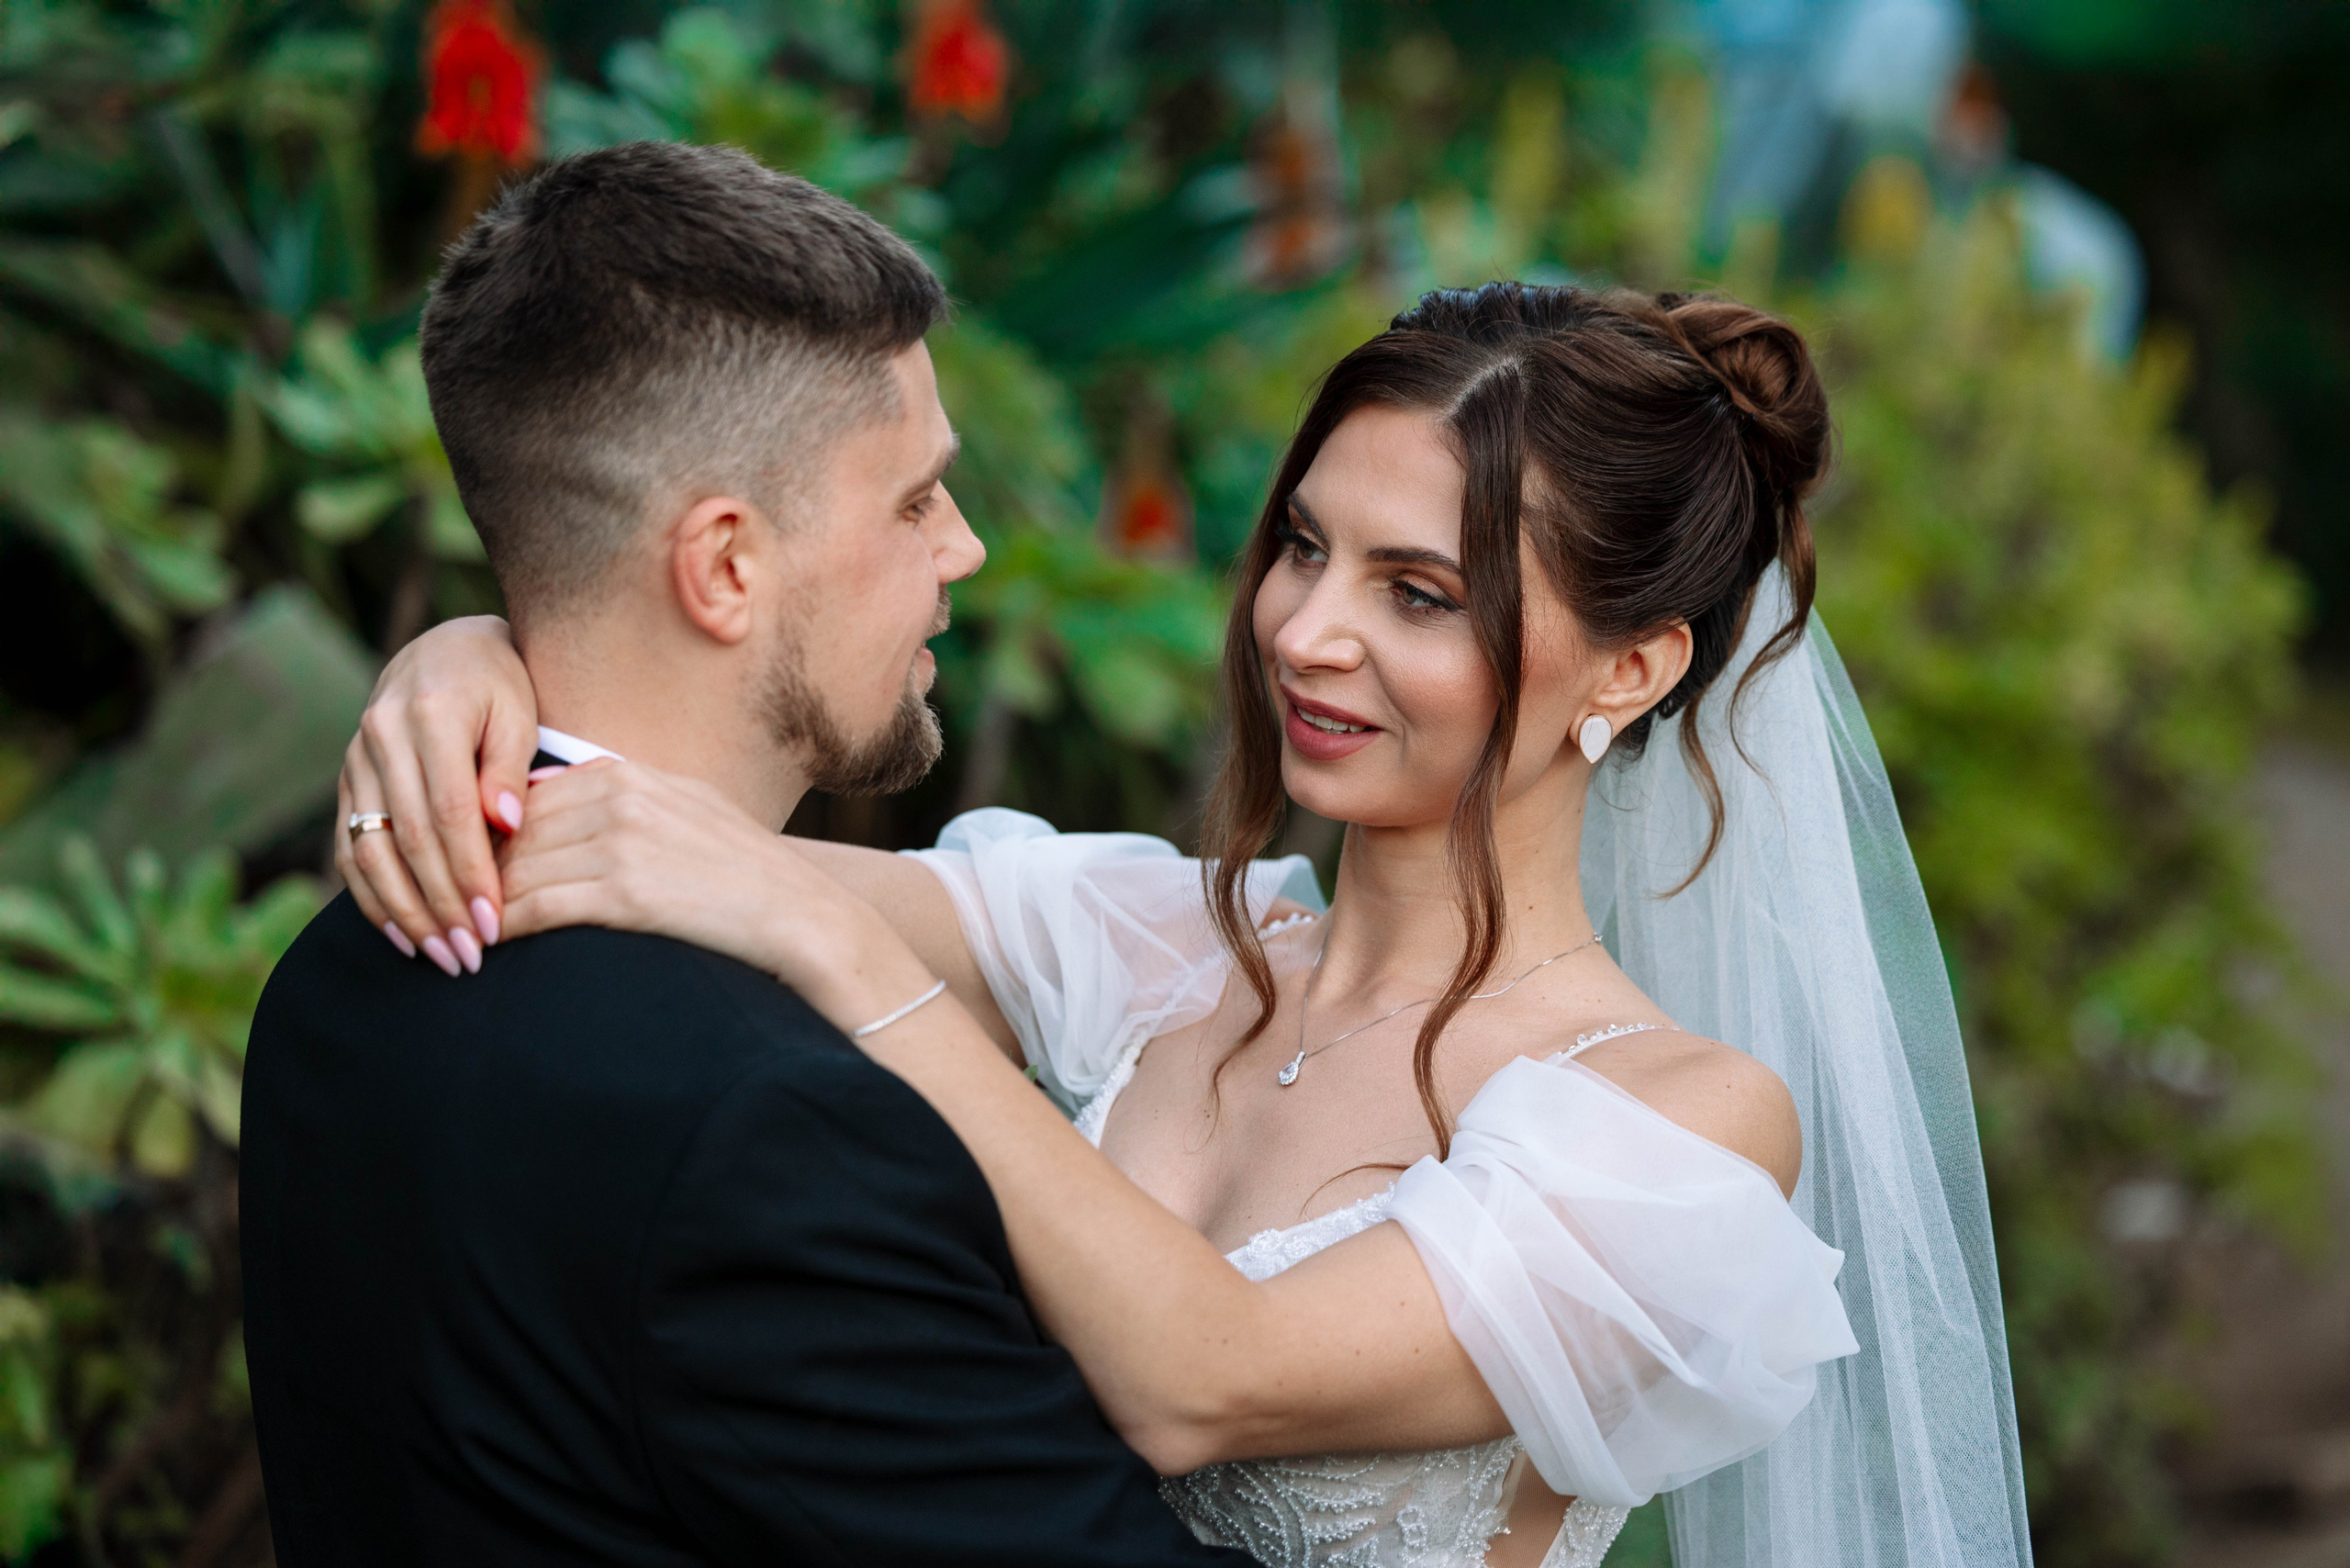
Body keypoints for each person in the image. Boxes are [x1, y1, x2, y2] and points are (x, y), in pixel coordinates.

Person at [340, 278, 2036, 1566]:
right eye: (1305, 548)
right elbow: (655, 829)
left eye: (1419, 594)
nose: (1303, 631)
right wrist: (479, 663)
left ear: (1634, 669)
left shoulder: (1676, 1132)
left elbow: (1204, 1375)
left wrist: (853, 966)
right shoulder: (1158, 945)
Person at [241, 140, 1259, 1568]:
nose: (961, 550)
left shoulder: (338, 965)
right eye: (913, 501)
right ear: (724, 565)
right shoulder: (778, 1137)